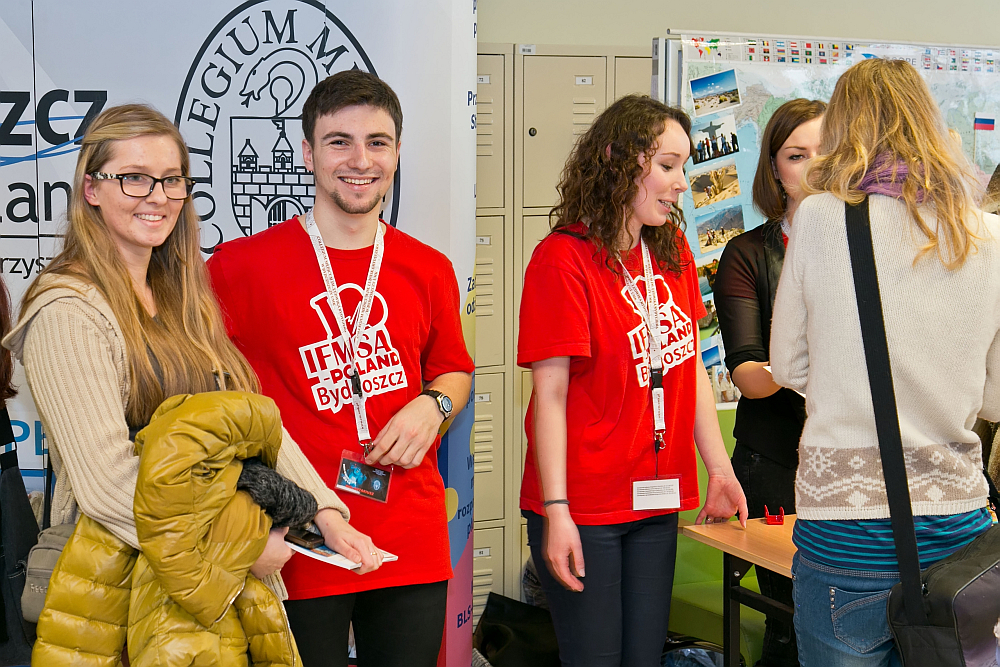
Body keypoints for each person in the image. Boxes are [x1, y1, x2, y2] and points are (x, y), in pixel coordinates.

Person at [1, 104, 380, 656]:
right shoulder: (68, 310)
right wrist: (240, 545)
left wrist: (321, 512)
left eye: (172, 179)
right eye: (134, 178)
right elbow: (109, 483)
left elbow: (250, 425)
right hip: (121, 590)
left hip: (204, 582)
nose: (157, 196)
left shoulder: (183, 296)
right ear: (91, 189)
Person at [207, 70, 475, 667]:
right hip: (298, 534)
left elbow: (454, 372)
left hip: (409, 533)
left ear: (397, 153)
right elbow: (210, 408)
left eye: (378, 142)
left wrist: (432, 406)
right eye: (339, 142)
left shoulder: (428, 268)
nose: (360, 160)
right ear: (308, 154)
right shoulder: (237, 268)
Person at [770, 58, 1000, 667]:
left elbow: (786, 366)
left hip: (844, 536)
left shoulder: (820, 217)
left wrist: (847, 382)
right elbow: (997, 398)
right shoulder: (989, 235)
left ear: (843, 128)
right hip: (956, 533)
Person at [517, 94, 748, 667]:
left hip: (656, 495)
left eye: (684, 167)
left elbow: (688, 367)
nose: (682, 183)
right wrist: (556, 509)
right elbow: (550, 396)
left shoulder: (671, 253)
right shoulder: (563, 259)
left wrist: (719, 470)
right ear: (618, 161)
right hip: (585, 503)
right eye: (667, 165)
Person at [713, 97, 824, 667]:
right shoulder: (749, 253)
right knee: (792, 627)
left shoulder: (871, 248)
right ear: (774, 169)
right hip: (776, 462)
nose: (815, 165)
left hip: (855, 464)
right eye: (797, 155)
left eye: (827, 150)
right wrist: (809, 359)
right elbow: (748, 374)